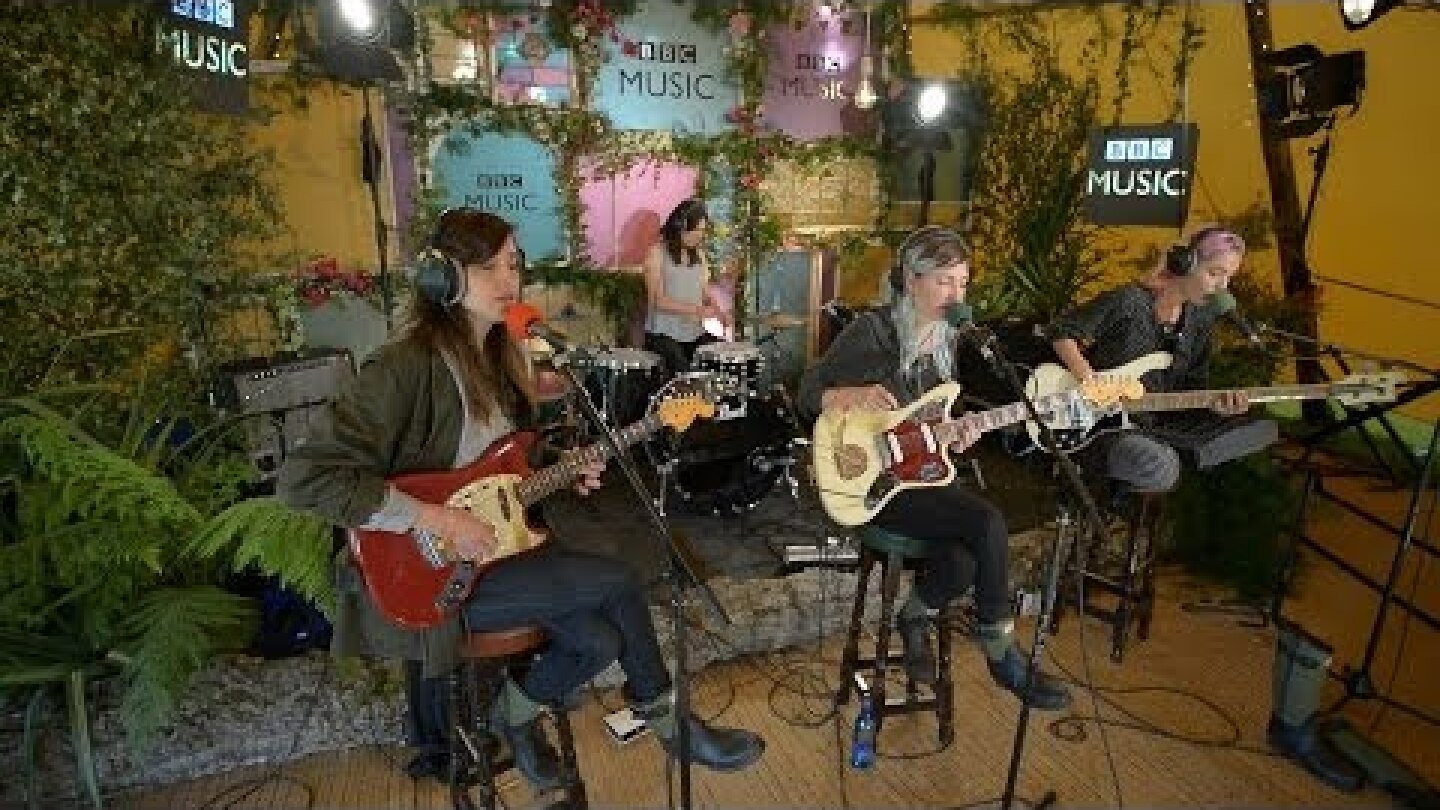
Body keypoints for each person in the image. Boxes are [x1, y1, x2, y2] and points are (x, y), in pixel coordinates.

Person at [277, 208, 764, 787]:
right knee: (622, 579)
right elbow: (305, 479)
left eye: (517, 265)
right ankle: (672, 726)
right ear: (449, 279)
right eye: (498, 267)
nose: (513, 282)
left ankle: (512, 719)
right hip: (432, 571)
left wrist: (562, 469)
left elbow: (503, 466)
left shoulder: (498, 357)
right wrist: (434, 518)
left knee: (599, 640)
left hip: (501, 549)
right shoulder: (404, 366)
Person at [798, 225, 1072, 711]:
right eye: (946, 281)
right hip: (870, 482)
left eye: (963, 283)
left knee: (965, 558)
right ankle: (999, 647)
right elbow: (806, 393)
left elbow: (933, 424)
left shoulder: (947, 342)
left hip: (917, 475)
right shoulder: (874, 331)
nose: (956, 294)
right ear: (911, 278)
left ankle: (915, 615)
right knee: (985, 520)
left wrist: (960, 434)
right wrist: (847, 394)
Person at [1048, 224, 1251, 494]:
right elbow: (1061, 332)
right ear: (1185, 264)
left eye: (1229, 278)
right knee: (1162, 466)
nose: (1222, 288)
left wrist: (1216, 407)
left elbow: (1190, 392)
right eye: (1215, 273)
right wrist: (1089, 379)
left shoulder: (1198, 325)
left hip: (1151, 428)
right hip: (1098, 427)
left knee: (1249, 431)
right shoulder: (1129, 302)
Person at [642, 198, 731, 376]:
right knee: (686, 376)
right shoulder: (657, 253)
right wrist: (697, 310)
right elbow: (657, 300)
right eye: (697, 229)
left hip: (694, 333)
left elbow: (705, 292)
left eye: (703, 230)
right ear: (680, 226)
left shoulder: (699, 255)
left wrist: (720, 313)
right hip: (663, 335)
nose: (700, 235)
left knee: (725, 360)